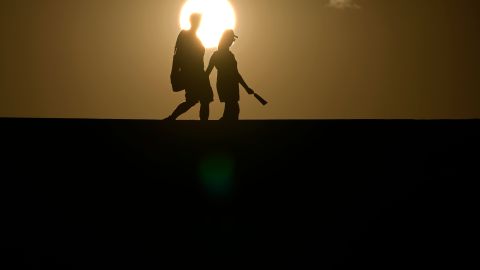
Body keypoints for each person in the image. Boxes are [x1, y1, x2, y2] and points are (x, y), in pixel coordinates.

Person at [165, 13, 213, 121]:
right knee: (193, 100)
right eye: (197, 21)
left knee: (204, 100)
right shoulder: (185, 35)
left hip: (200, 74)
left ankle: (203, 124)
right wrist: (174, 73)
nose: (198, 23)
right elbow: (178, 56)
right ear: (192, 21)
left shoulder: (195, 37)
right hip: (192, 74)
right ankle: (171, 118)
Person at [206, 30, 254, 121]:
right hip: (228, 83)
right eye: (231, 39)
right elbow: (235, 74)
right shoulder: (227, 56)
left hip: (225, 83)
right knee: (233, 108)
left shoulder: (218, 55)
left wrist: (246, 87)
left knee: (231, 108)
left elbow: (207, 73)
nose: (232, 42)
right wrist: (246, 87)